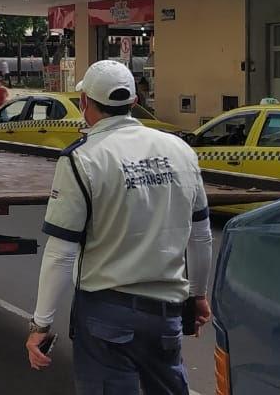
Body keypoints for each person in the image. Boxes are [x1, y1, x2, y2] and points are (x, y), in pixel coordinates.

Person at [26, 60, 212, 394]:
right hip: (166, 315)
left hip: (105, 317)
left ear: (85, 102)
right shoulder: (180, 151)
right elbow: (200, 234)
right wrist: (198, 295)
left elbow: (61, 251)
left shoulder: (83, 159)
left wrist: (41, 323)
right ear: (133, 101)